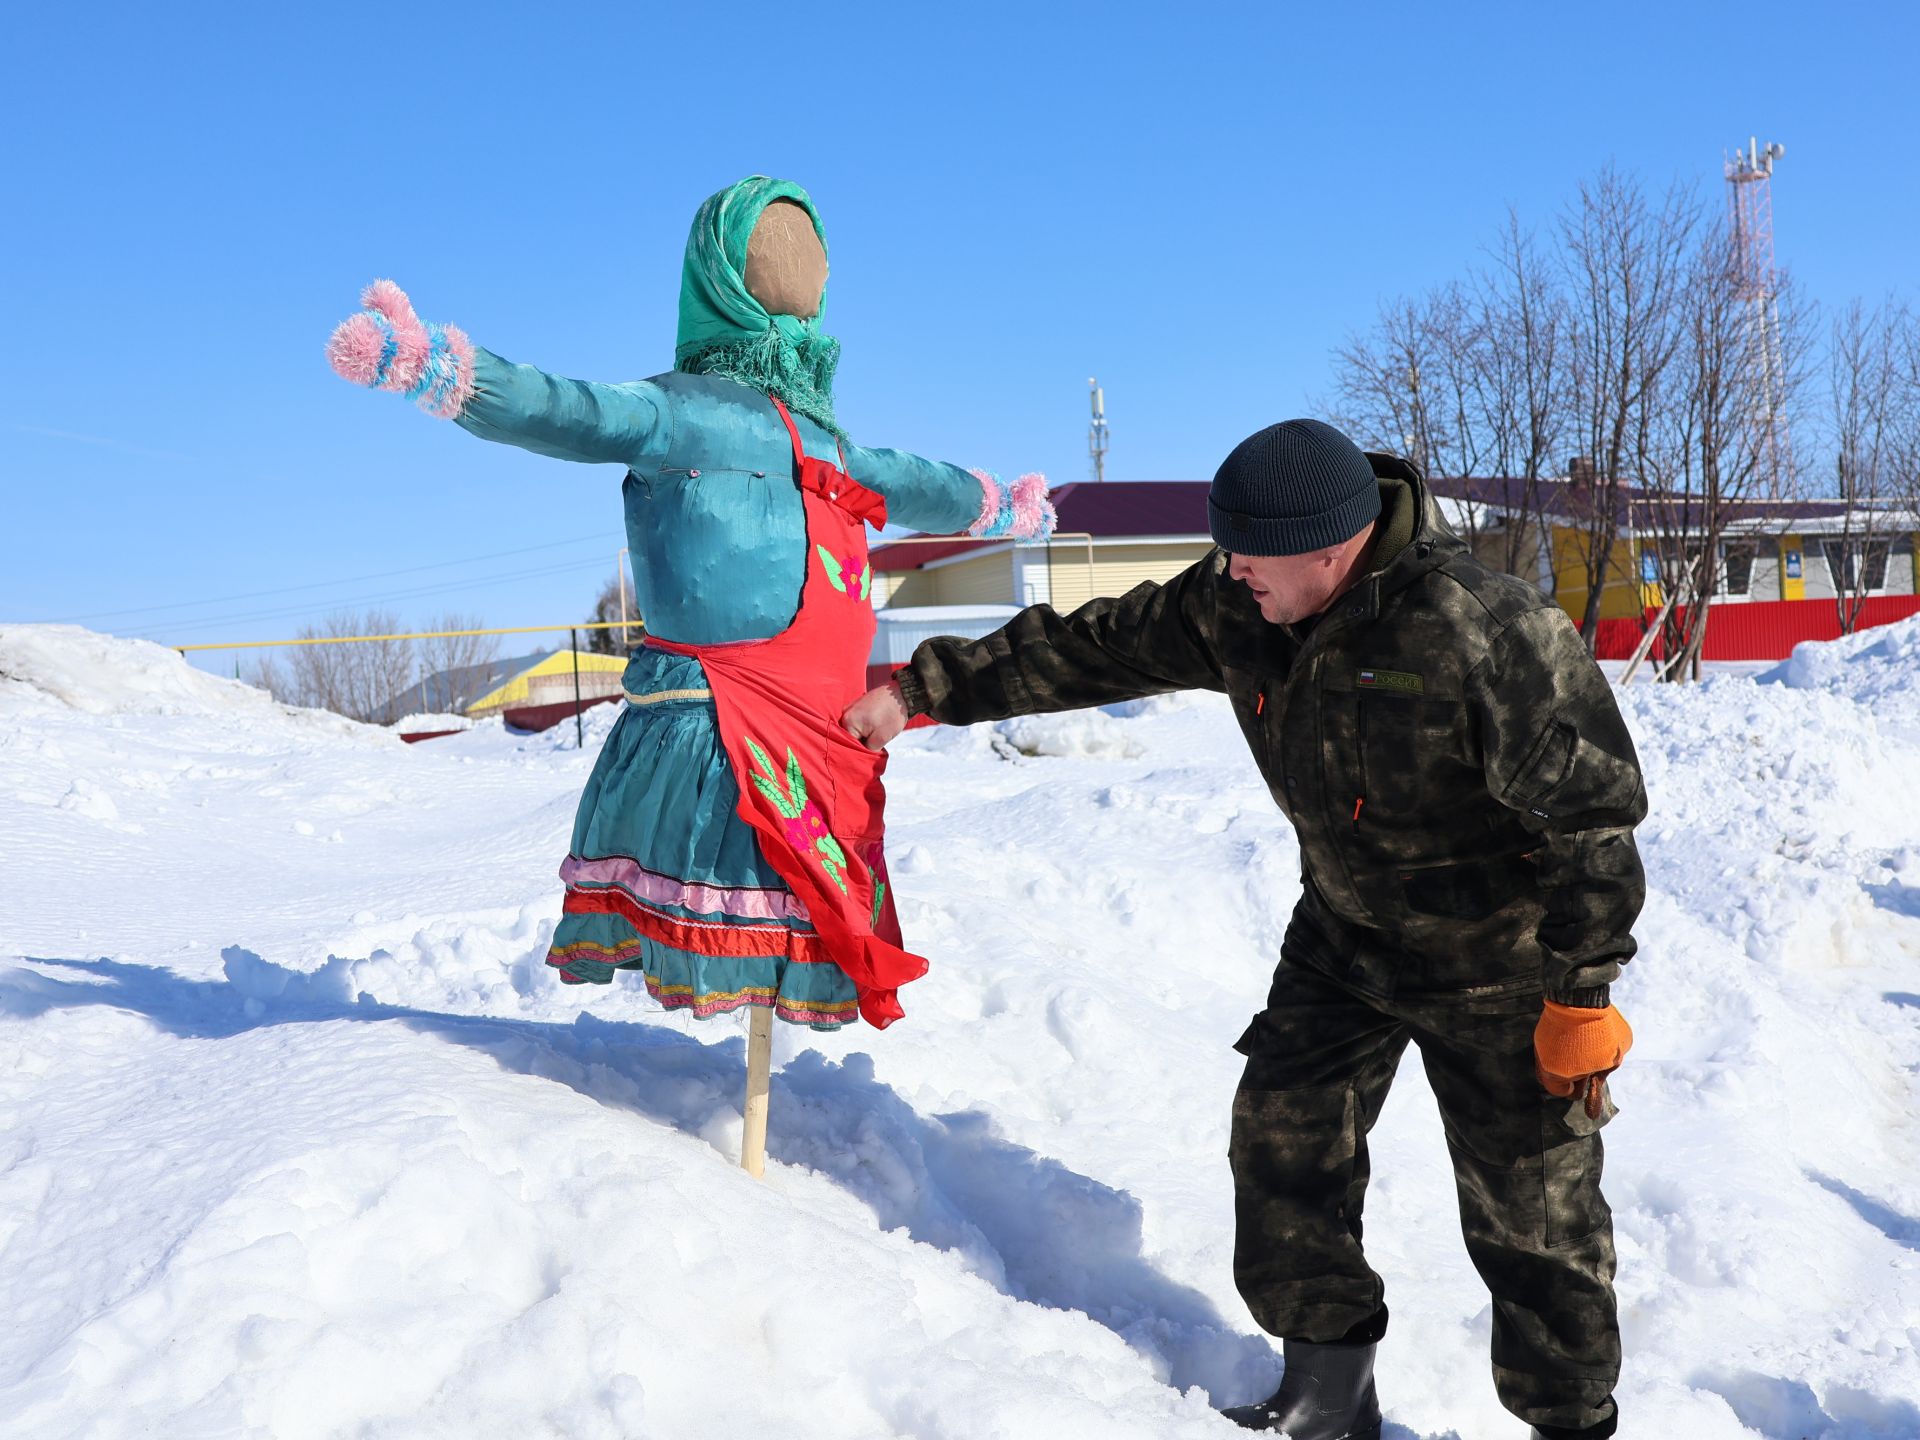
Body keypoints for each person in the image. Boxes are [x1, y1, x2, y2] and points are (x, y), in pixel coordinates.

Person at [842, 419, 1645, 1440]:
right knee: (1283, 1145)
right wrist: (922, 690)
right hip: (1347, 941)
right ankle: (1328, 1396)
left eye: (1249, 553)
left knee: (1535, 1220)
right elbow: (1096, 645)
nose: (1230, 570)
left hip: (1500, 961)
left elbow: (1595, 815)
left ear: (1330, 546)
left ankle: (1569, 1425)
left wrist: (1581, 994)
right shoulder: (1239, 604)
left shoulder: (1479, 627)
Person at [327, 177, 1051, 1035]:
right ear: (721, 279)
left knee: (803, 904)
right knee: (741, 888)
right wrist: (450, 373)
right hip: (715, 717)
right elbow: (565, 408)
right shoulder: (676, 412)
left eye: (811, 256)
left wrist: (997, 506)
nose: (802, 272)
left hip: (826, 729)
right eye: (778, 255)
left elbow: (915, 480)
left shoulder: (831, 443)